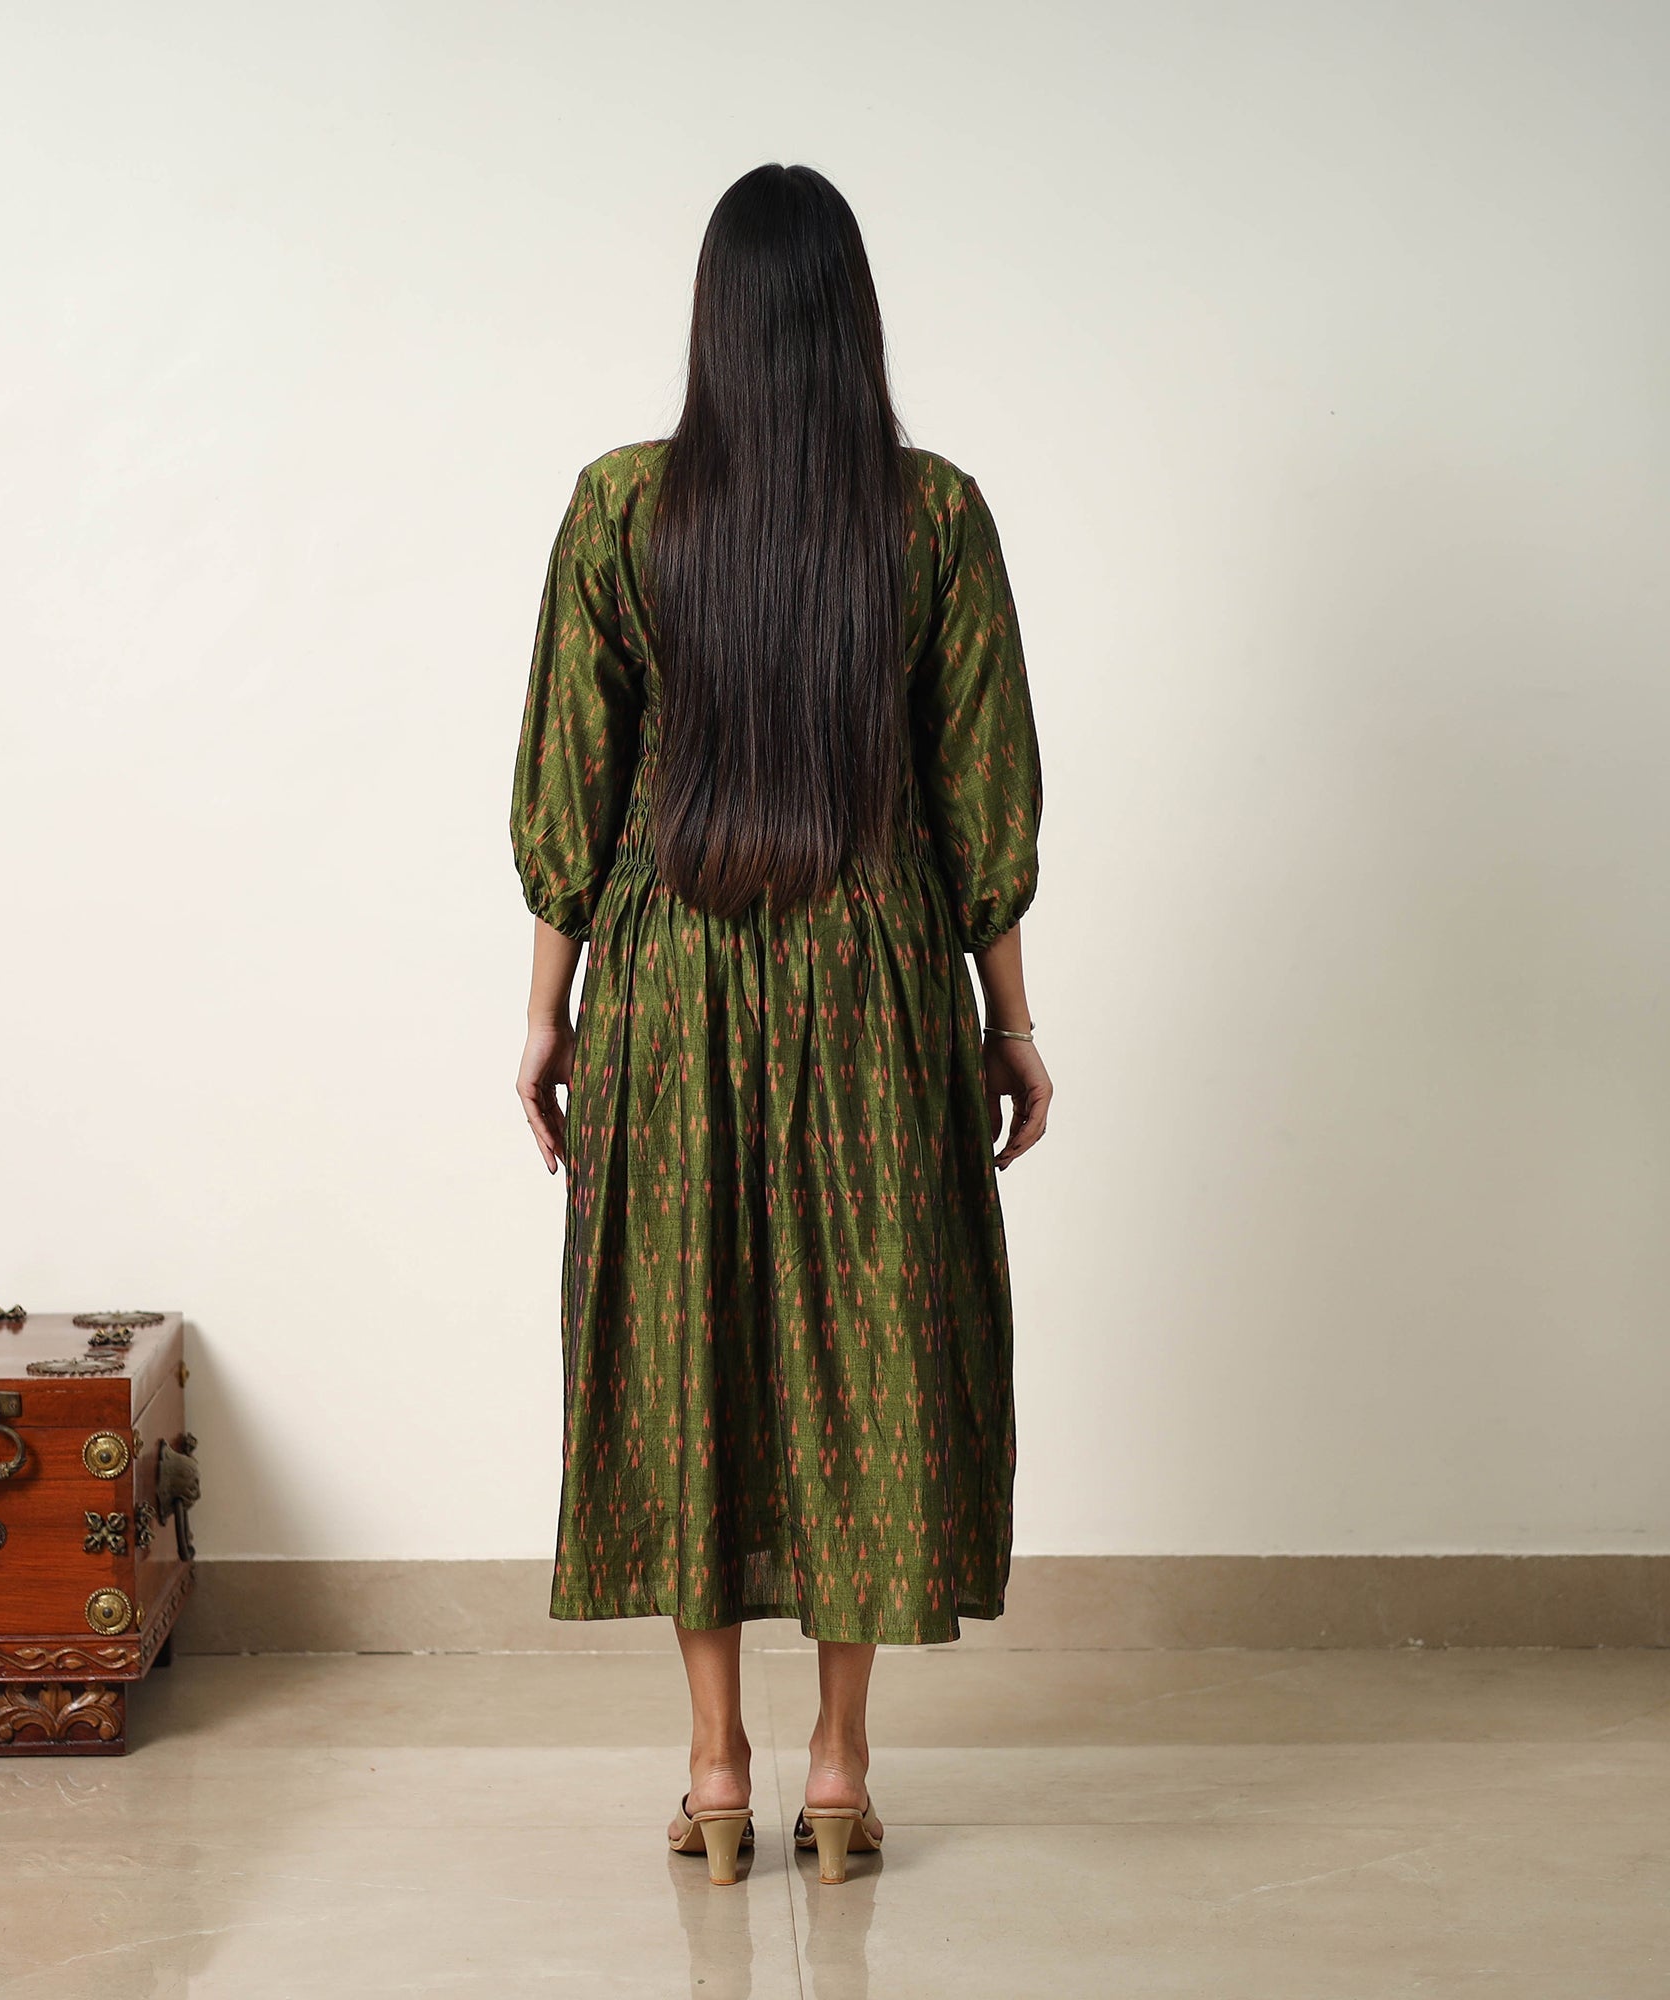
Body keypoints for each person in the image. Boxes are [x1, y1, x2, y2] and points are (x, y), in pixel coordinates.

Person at [509, 162, 1050, 1887]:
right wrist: (1010, 1021)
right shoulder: (935, 515)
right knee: (863, 1352)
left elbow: (570, 790)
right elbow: (984, 797)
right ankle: (838, 1769)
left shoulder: (621, 507)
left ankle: (713, 1767)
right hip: (875, 981)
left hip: (668, 976)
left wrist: (546, 1017)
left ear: (716, 319)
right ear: (850, 318)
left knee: (692, 1348)